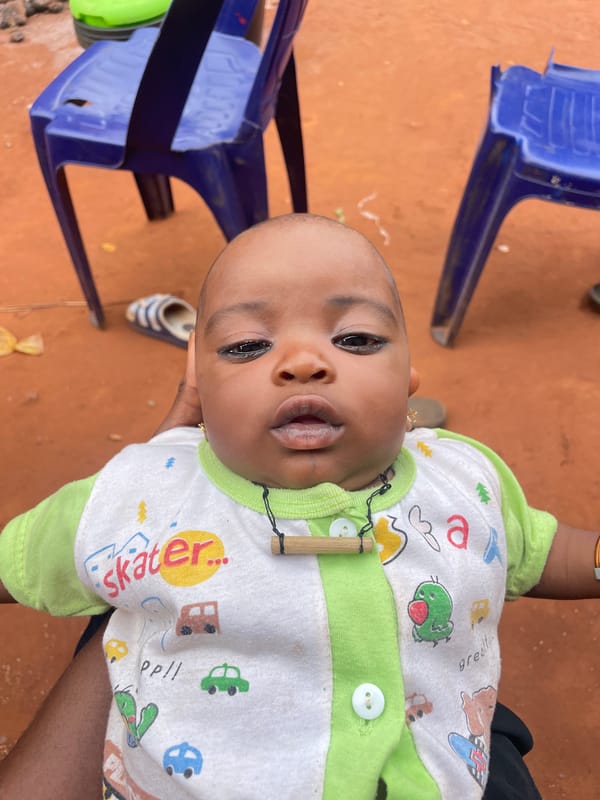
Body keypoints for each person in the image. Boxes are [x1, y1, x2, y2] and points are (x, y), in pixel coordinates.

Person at [0, 213, 598, 799]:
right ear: (199, 389)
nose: (303, 363)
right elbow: (18, 560)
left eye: (357, 339)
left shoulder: (465, 478)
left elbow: (538, 549)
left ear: (408, 379)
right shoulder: (135, 494)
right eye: (247, 346)